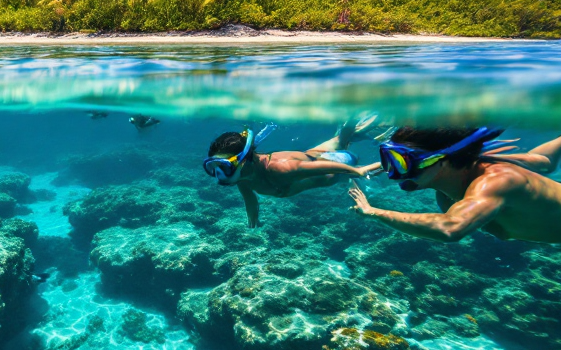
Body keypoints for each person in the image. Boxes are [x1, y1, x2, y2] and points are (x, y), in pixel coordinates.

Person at [349, 126, 561, 244]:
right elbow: (544, 160)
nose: (391, 173)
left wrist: (373, 212)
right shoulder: (446, 189)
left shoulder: (496, 181)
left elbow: (450, 228)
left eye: (401, 162)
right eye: (388, 160)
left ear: (441, 160)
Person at [204, 117, 383, 228]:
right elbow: (248, 197)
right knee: (342, 138)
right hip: (313, 154)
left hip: (334, 168)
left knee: (350, 153)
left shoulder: (279, 169)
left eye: (224, 166)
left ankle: (370, 137)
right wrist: (253, 217)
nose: (219, 173)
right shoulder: (243, 176)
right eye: (214, 167)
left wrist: (356, 171)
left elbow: (325, 167)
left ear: (243, 160)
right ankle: (352, 129)